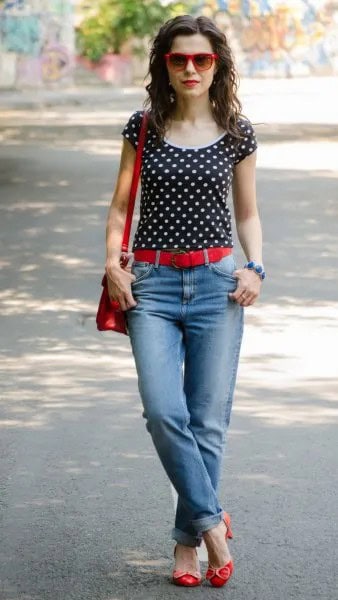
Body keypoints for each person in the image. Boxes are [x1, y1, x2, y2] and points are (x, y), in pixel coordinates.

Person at [105, 14, 264, 588]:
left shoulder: (238, 130)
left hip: (218, 283)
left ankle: (186, 545)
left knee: (207, 422)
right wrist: (110, 264)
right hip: (150, 283)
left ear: (216, 64)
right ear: (164, 66)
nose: (190, 68)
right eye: (179, 59)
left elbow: (247, 212)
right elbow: (122, 208)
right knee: (164, 411)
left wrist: (256, 265)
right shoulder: (143, 125)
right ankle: (212, 522)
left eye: (201, 59)